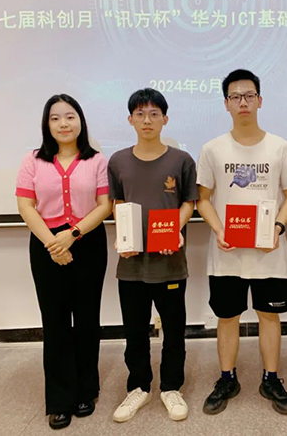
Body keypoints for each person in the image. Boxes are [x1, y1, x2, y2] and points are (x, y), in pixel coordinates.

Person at [197, 69, 287, 415]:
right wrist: (219, 229)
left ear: (260, 100)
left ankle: (271, 378)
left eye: (249, 95)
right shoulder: (212, 149)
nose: (243, 102)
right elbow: (203, 199)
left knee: (269, 315)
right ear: (226, 104)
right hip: (226, 253)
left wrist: (278, 228)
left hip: (269, 252)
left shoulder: (279, 146)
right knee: (227, 316)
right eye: (235, 96)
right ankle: (227, 378)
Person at [16, 94, 111, 430]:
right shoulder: (32, 160)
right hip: (46, 245)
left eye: (70, 116)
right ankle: (58, 400)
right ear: (47, 124)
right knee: (55, 322)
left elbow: (104, 205)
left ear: (80, 120)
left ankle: (86, 391)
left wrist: (72, 235)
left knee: (86, 320)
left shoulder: (96, 160)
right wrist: (53, 243)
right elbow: (26, 206)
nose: (63, 124)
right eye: (55, 118)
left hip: (87, 242)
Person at [108, 88, 199, 422]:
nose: (147, 120)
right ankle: (139, 387)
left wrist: (175, 229)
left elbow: (189, 202)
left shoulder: (181, 160)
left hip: (170, 261)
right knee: (134, 331)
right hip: (131, 264)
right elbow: (117, 202)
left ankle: (171, 387)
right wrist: (123, 234)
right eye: (140, 114)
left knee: (174, 330)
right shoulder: (118, 161)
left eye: (154, 114)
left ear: (165, 119)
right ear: (130, 119)